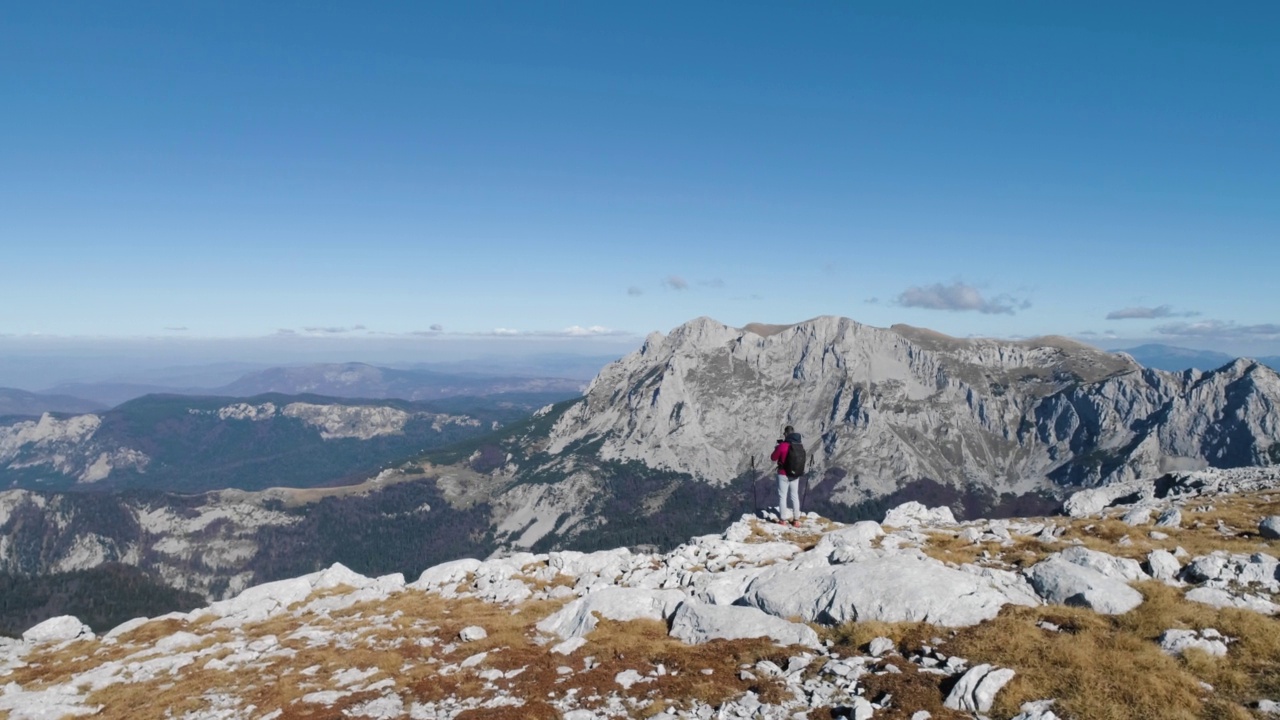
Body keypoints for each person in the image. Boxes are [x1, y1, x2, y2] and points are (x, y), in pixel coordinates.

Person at [769, 425, 804, 527]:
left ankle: (782, 520)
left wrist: (777, 448)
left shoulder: (782, 446)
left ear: (786, 434)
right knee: (794, 496)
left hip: (783, 474)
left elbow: (773, 458)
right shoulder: (798, 445)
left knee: (782, 496)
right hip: (795, 474)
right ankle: (796, 520)